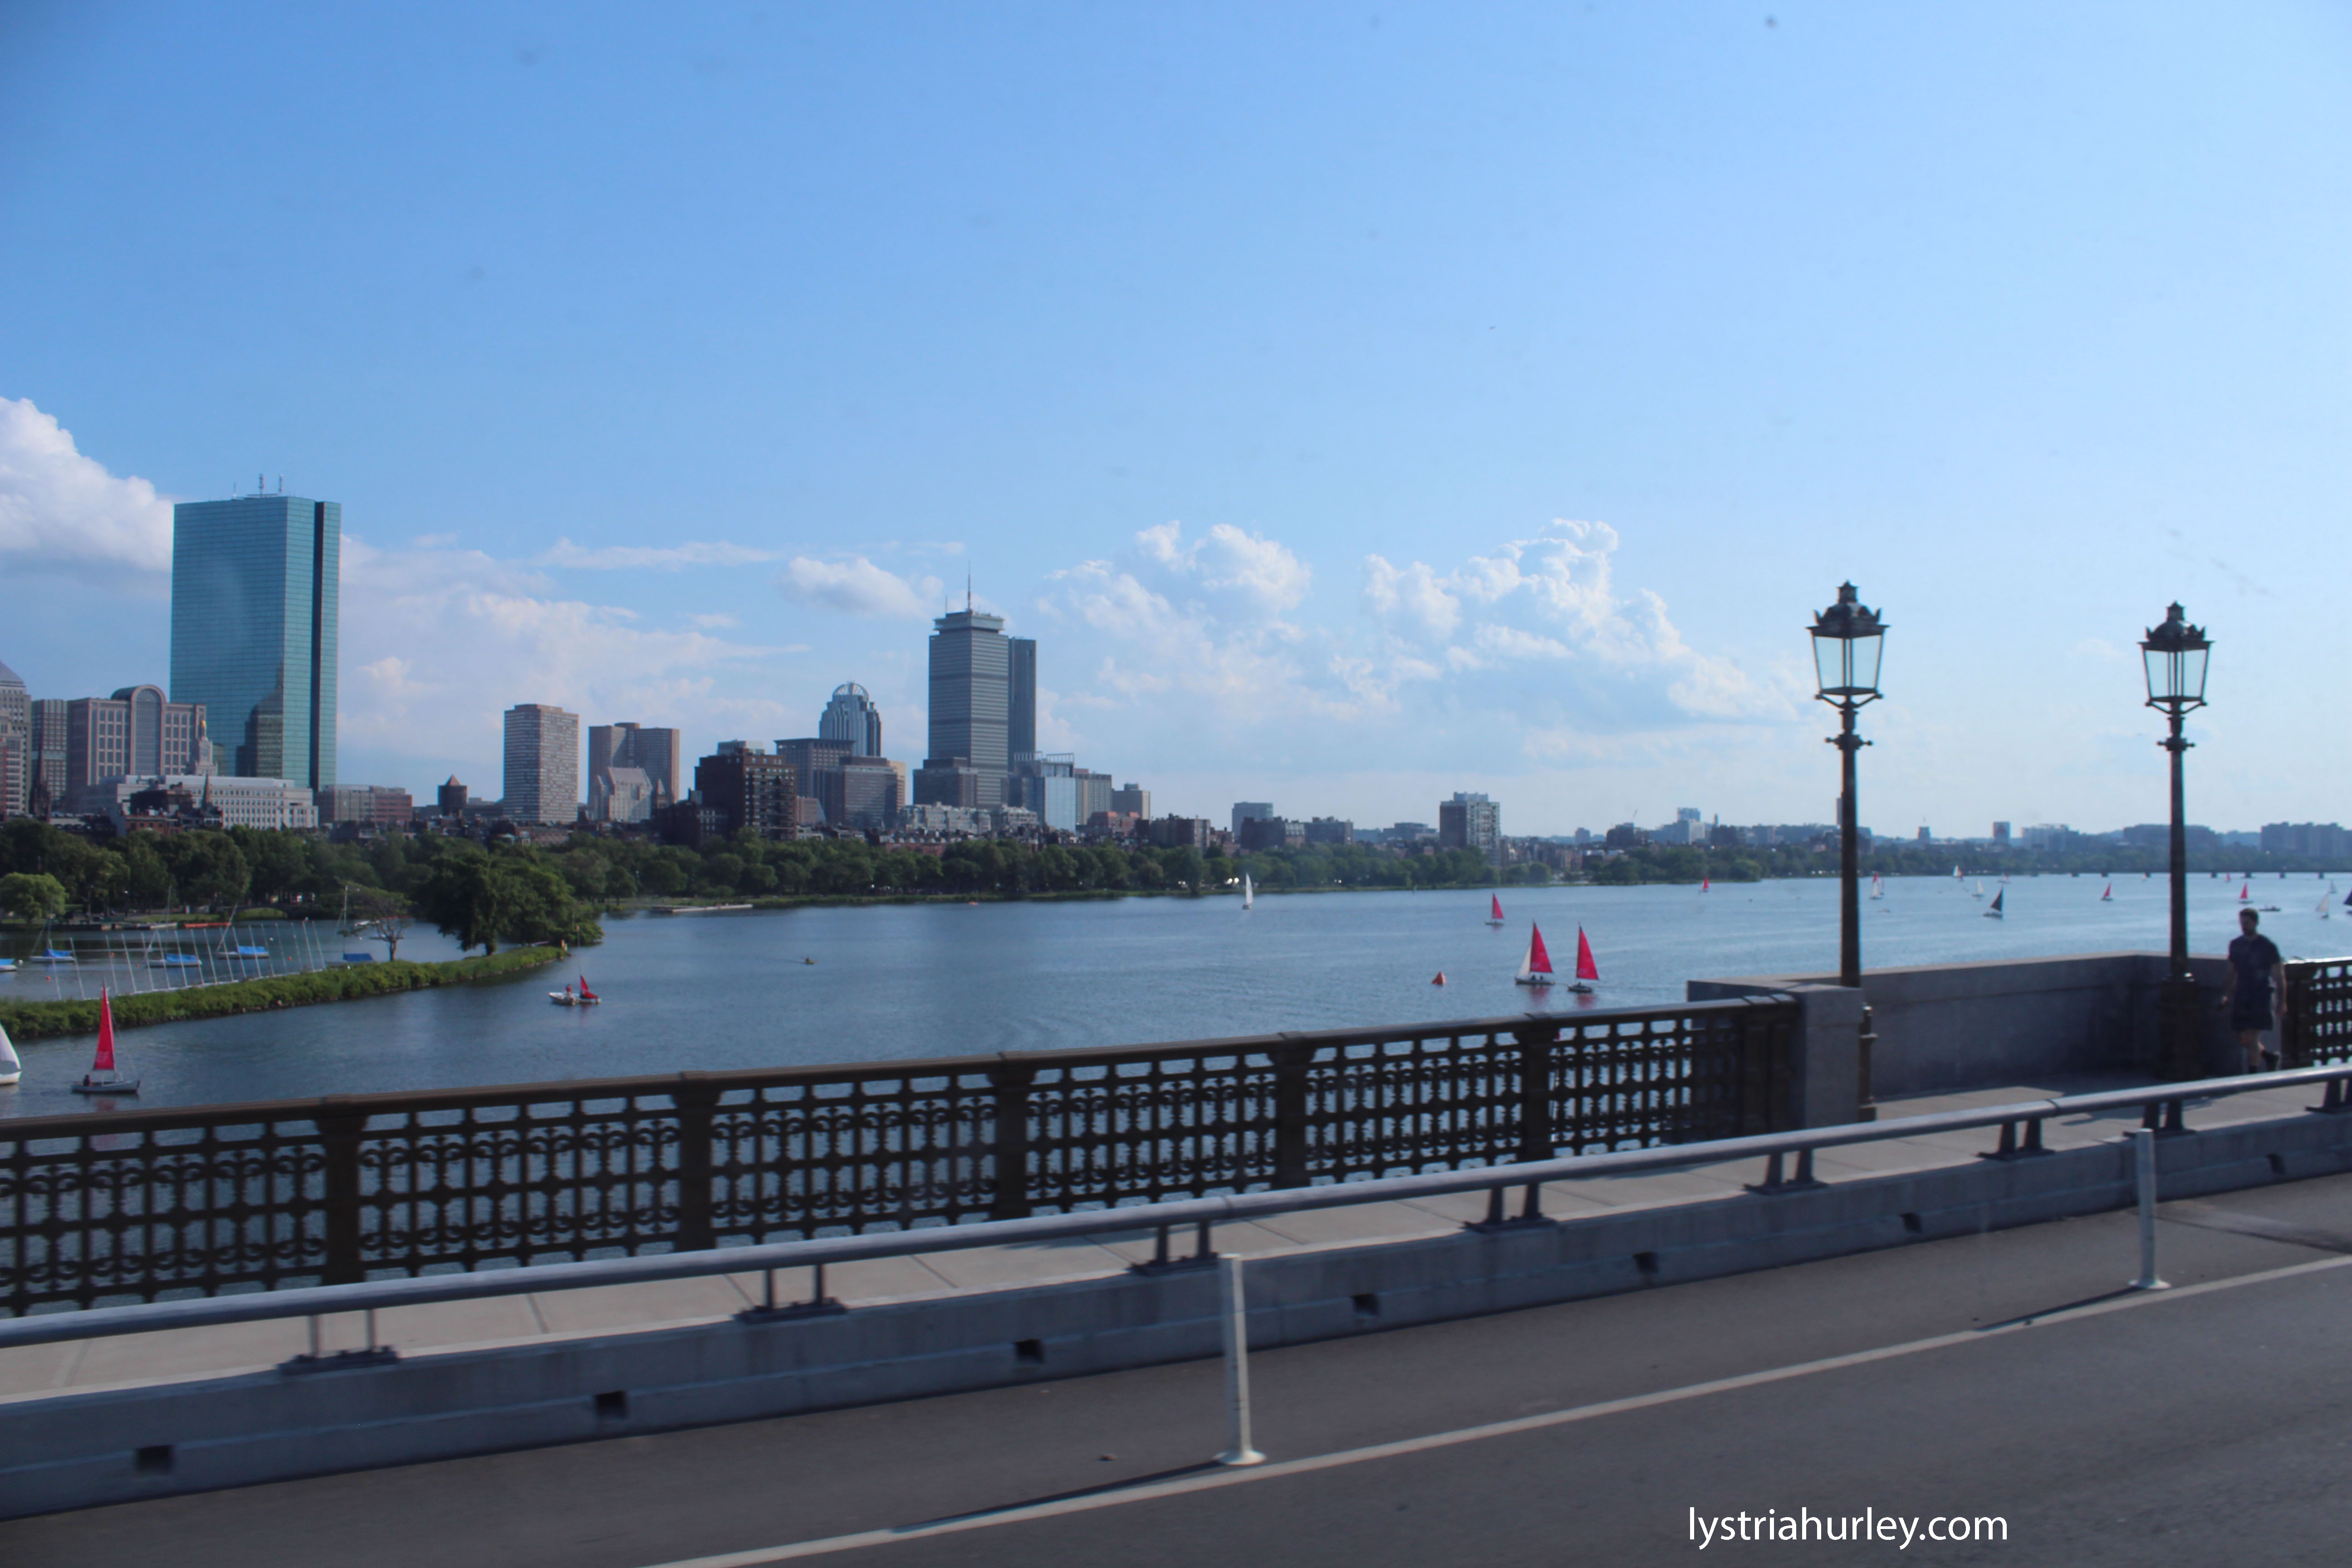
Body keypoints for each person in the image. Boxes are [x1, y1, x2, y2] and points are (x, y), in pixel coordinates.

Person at [2221, 907, 2285, 1073]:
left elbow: (2279, 975)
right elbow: (2231, 972)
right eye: (2242, 923)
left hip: (2261, 996)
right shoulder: (2236, 945)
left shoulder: (2268, 946)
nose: (2244, 927)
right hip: (2242, 995)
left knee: (2253, 1036)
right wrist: (2224, 994)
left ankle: (2253, 1075)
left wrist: (2282, 1001)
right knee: (2242, 1038)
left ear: (2256, 923)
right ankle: (2269, 1057)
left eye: (2247, 923)